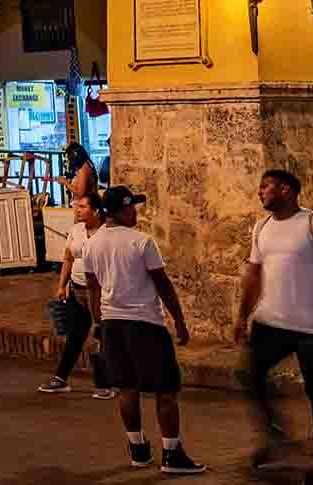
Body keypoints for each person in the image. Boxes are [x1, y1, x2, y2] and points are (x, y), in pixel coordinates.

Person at [78, 185, 203, 474]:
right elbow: (162, 285)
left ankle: (138, 449)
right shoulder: (142, 242)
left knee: (127, 388)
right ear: (122, 210)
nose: (135, 212)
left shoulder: (91, 245)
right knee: (166, 390)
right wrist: (180, 321)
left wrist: (99, 323)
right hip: (145, 324)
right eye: (131, 207)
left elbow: (92, 289)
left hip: (112, 324)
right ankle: (172, 453)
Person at [238, 169, 313, 484]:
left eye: (266, 187)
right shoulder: (262, 227)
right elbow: (254, 275)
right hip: (271, 321)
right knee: (250, 375)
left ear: (286, 190)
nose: (260, 192)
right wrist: (241, 315)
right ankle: (277, 439)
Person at [40, 189, 115, 398]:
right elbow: (68, 258)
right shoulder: (76, 230)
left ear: (96, 210)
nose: (78, 210)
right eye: (77, 206)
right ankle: (61, 378)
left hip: (101, 293)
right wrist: (62, 285)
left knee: (102, 337)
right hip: (77, 290)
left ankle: (104, 384)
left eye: (82, 207)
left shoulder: (107, 233)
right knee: (75, 336)